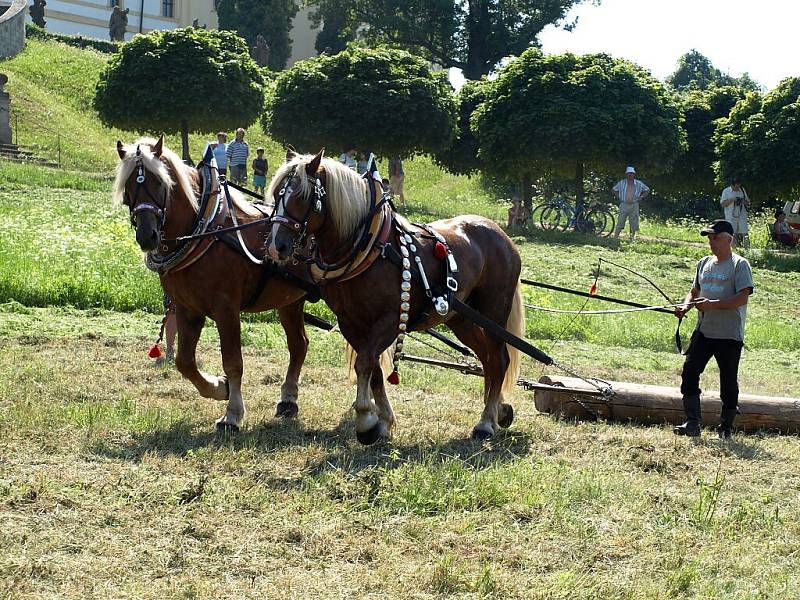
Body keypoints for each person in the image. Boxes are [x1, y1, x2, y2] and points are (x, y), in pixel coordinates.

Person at [673, 219, 754, 439]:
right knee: (689, 373)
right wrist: (685, 306)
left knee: (728, 381)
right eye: (709, 237)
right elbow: (694, 291)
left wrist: (712, 304)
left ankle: (726, 428)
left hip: (729, 334)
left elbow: (742, 298)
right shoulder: (703, 262)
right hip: (704, 331)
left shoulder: (739, 265)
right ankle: (692, 423)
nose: (711, 241)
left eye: (715, 237)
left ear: (730, 239)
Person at [611, 166, 650, 241]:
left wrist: (641, 197)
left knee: (634, 222)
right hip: (624, 204)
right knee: (620, 221)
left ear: (634, 174)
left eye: (632, 174)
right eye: (629, 174)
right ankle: (615, 238)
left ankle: (632, 239)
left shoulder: (639, 183)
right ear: (626, 174)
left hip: (634, 204)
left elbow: (647, 190)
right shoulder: (622, 183)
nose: (630, 175)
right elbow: (613, 189)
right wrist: (619, 196)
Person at [720, 177, 750, 248]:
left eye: (739, 186)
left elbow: (748, 202)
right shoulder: (726, 191)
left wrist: (742, 201)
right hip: (730, 215)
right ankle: (733, 248)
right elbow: (723, 204)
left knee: (744, 231)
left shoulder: (742, 190)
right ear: (732, 185)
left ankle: (747, 248)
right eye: (736, 187)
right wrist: (732, 200)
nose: (737, 188)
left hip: (742, 214)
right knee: (732, 233)